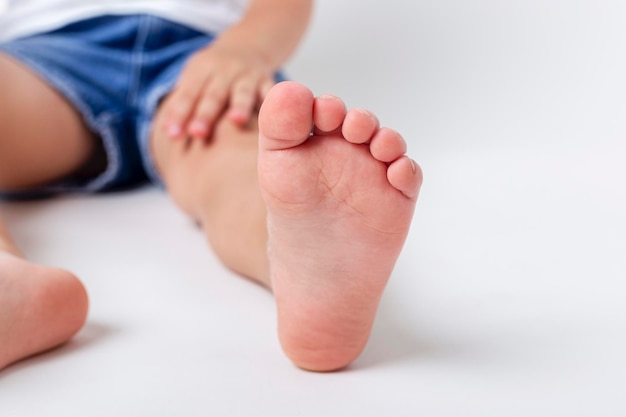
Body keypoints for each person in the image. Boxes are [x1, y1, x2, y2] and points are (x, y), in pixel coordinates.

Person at [0, 0, 423, 372]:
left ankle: (299, 259)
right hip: (41, 59)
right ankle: (8, 282)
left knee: (241, 167)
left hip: (208, 63)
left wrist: (245, 50)